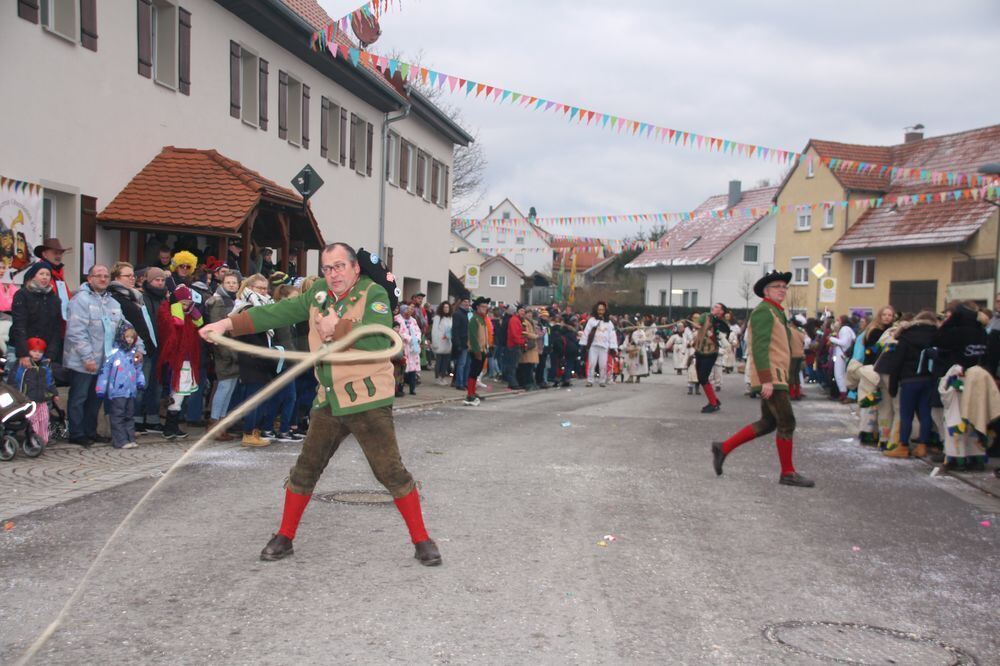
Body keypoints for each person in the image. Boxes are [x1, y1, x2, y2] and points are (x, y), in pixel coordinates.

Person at [199, 242, 441, 565]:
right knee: (306, 469)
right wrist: (227, 324)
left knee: (390, 472)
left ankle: (422, 540)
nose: (333, 274)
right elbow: (275, 312)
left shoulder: (374, 295)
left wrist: (337, 329)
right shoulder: (318, 297)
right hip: (329, 398)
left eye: (339, 266)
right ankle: (284, 536)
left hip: (367, 398)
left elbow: (380, 338)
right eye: (327, 269)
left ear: (355, 268)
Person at [711, 271, 815, 487]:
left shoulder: (776, 312)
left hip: (777, 375)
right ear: (766, 291)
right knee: (787, 422)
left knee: (769, 423)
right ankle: (788, 472)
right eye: (777, 286)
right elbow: (759, 346)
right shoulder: (764, 312)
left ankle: (723, 448)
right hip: (772, 377)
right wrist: (766, 380)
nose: (782, 289)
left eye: (784, 287)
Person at [65, 265, 132, 447]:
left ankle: (90, 431)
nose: (103, 279)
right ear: (89, 279)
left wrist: (137, 347)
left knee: (96, 399)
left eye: (106, 276)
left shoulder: (113, 303)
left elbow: (125, 328)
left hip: (104, 361)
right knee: (79, 397)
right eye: (98, 276)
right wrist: (87, 358)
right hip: (82, 361)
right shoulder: (80, 300)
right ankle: (76, 433)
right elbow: (76, 332)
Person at [880, 310, 938, 459]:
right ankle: (922, 446)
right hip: (927, 379)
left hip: (909, 379)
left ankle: (903, 446)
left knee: (906, 414)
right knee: (925, 413)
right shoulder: (936, 335)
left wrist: (893, 385)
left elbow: (897, 362)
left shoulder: (907, 336)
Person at [231, 274, 278, 447]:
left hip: (260, 358)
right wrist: (263, 353)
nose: (264, 291)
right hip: (251, 359)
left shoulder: (263, 305)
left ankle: (255, 430)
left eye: (265, 288)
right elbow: (249, 335)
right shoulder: (247, 307)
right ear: (250, 288)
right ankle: (249, 432)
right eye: (260, 288)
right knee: (253, 397)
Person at [156, 284, 204, 440]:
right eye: (183, 303)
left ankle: (173, 426)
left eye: (188, 303)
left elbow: (199, 323)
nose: (186, 306)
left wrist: (192, 310)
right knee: (176, 393)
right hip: (175, 361)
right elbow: (176, 325)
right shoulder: (167, 311)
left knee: (181, 394)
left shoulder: (189, 314)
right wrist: (177, 308)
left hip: (187, 360)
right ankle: (169, 427)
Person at [95, 322, 145, 450]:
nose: (129, 340)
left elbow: (138, 369)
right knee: (117, 415)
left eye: (131, 338)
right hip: (117, 390)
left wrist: (140, 382)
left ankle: (130, 438)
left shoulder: (134, 354)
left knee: (129, 415)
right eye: (127, 337)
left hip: (130, 390)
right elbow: (105, 371)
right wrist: (100, 388)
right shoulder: (114, 353)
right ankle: (120, 440)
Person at [205, 270, 240, 441]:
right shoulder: (218, 302)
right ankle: (214, 424)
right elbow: (217, 329)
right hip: (224, 351)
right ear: (222, 284)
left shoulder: (232, 300)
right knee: (224, 387)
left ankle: (221, 423)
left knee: (230, 387)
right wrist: (228, 352)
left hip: (232, 350)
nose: (232, 285)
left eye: (234, 283)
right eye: (229, 283)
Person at [9, 262, 64, 369]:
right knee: (14, 384)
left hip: (43, 351)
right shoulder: (22, 294)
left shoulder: (55, 299)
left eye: (48, 274)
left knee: (40, 383)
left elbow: (56, 329)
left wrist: (50, 354)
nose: (45, 277)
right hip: (20, 349)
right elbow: (19, 324)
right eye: (41, 274)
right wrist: (23, 353)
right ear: (33, 276)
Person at [137, 267, 169, 434]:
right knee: (143, 383)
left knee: (156, 385)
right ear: (148, 281)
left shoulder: (165, 298)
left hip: (162, 347)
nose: (160, 283)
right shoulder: (142, 297)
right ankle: (137, 418)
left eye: (162, 280)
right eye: (157, 280)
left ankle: (152, 418)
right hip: (147, 347)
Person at [11, 337, 59, 447]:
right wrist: (17, 395)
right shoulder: (22, 365)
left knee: (44, 418)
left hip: (41, 399)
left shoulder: (45, 366)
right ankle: (33, 438)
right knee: (32, 420)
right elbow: (16, 381)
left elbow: (49, 381)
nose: (37, 354)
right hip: (27, 399)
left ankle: (43, 439)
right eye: (34, 351)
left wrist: (54, 393)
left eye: (40, 352)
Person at [691, 303, 731, 413]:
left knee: (703, 378)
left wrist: (716, 333)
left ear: (722, 311)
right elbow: (697, 324)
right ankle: (714, 400)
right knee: (701, 378)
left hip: (710, 352)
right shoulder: (706, 315)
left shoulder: (722, 324)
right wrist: (698, 325)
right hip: (700, 350)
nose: (714, 307)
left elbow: (723, 337)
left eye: (717, 307)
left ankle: (713, 404)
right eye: (714, 306)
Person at [31, 238, 73, 321]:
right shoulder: (35, 273)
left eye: (60, 253)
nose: (58, 256)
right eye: (55, 253)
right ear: (44, 254)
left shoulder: (59, 273)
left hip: (61, 321)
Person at [582, 301, 616, 387]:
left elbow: (612, 335)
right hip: (593, 346)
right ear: (596, 310)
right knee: (592, 363)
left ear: (605, 311)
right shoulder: (591, 321)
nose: (600, 312)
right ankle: (590, 380)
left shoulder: (609, 323)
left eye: (602, 310)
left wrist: (613, 346)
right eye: (599, 310)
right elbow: (586, 332)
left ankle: (602, 381)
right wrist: (584, 344)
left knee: (603, 365)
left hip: (604, 347)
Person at [464, 297, 491, 406]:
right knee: (473, 372)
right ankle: (470, 394)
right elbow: (473, 337)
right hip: (477, 351)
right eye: (483, 306)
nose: (485, 308)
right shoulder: (474, 319)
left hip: (483, 350)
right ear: (477, 307)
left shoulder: (482, 319)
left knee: (477, 372)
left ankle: (473, 392)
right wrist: (477, 351)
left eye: (486, 307)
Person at [396, 304, 422, 395]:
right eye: (407, 311)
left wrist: (417, 339)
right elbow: (400, 332)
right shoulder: (398, 319)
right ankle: (400, 388)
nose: (409, 312)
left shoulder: (413, 320)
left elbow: (418, 331)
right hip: (404, 347)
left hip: (413, 348)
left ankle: (412, 388)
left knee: (413, 370)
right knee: (402, 369)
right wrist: (409, 339)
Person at [830, 314, 856, 402]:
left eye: (837, 320)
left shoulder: (844, 329)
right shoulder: (848, 329)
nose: (836, 322)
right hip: (844, 354)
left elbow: (844, 342)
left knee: (839, 374)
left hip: (841, 354)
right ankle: (844, 392)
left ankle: (843, 393)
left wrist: (831, 339)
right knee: (842, 374)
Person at [451, 297, 471, 390]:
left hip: (466, 342)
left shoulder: (466, 314)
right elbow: (455, 330)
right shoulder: (458, 314)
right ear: (461, 303)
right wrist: (457, 343)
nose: (467, 304)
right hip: (461, 342)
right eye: (465, 302)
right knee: (461, 364)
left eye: (468, 302)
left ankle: (464, 382)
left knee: (467, 364)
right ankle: (459, 383)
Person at [431, 302, 453, 385]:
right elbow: (434, 330)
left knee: (445, 361)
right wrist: (435, 342)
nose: (446, 309)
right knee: (439, 361)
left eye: (447, 307)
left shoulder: (450, 318)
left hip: (447, 342)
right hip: (439, 342)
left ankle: (442, 377)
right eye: (444, 307)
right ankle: (437, 378)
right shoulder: (438, 317)